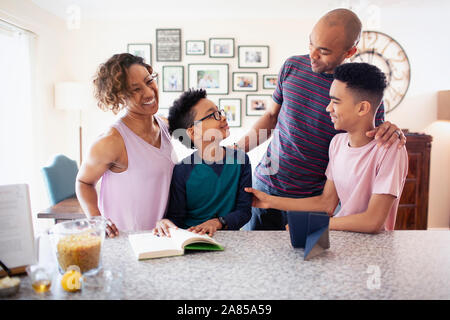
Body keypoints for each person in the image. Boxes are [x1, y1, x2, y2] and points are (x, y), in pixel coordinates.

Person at [236, 8, 407, 231]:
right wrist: (233, 151)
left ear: (350, 51)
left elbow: (370, 137)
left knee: (305, 263)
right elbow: (270, 117)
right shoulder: (292, 67)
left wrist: (392, 131)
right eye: (311, 45)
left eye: (324, 51)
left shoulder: (357, 93)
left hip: (313, 201)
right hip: (266, 188)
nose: (313, 56)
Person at [75, 53, 175, 237]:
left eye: (149, 81)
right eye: (135, 89)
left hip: (162, 237)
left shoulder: (164, 125)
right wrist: (97, 220)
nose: (148, 92)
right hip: (125, 240)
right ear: (120, 96)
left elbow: (200, 140)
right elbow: (83, 182)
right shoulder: (111, 141)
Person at [154, 89, 252, 237]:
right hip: (192, 238)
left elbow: (244, 211)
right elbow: (176, 217)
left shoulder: (241, 160)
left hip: (229, 239)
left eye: (220, 112)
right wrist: (164, 222)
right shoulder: (182, 170)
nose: (223, 117)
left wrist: (218, 223)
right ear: (193, 132)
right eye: (214, 115)